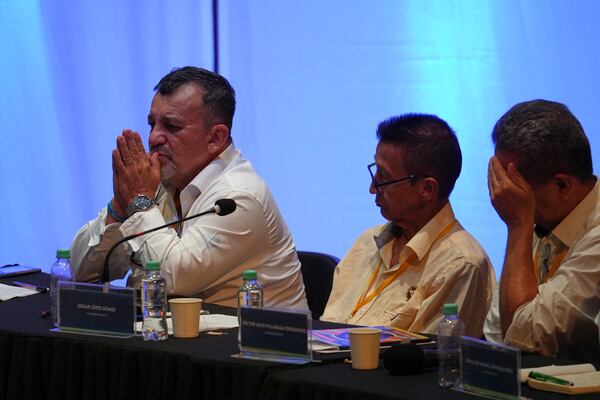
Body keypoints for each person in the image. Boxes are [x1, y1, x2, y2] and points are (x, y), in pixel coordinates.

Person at [70, 66, 307, 309]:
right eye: (152, 124)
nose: (154, 138)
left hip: (253, 344)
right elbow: (81, 274)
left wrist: (140, 200)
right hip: (165, 338)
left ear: (215, 138)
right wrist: (119, 208)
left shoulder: (238, 197)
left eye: (172, 127)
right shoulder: (160, 181)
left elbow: (172, 278)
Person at [320, 114, 495, 337]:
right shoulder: (367, 242)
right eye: (375, 172)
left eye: (384, 177)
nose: (372, 189)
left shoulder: (460, 264)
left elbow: (424, 360)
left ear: (427, 189)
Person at [484, 99, 600, 361]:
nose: (505, 197)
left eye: (515, 189)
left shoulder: (594, 232)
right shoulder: (546, 219)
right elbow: (496, 330)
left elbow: (525, 335)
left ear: (562, 186)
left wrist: (517, 226)